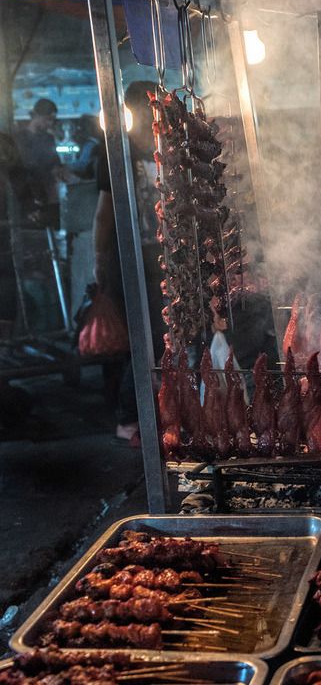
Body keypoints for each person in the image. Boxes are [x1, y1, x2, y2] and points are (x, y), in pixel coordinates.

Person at [93, 81, 164, 445]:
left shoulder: (166, 145)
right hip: (130, 259)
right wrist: (99, 258)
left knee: (163, 339)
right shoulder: (115, 152)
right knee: (141, 340)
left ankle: (158, 412)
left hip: (164, 257)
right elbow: (105, 214)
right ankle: (127, 419)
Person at [14, 98, 62, 225]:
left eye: (52, 120)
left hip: (47, 193)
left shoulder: (48, 138)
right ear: (36, 115)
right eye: (47, 119)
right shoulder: (19, 138)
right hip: (28, 193)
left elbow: (55, 163)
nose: (50, 124)